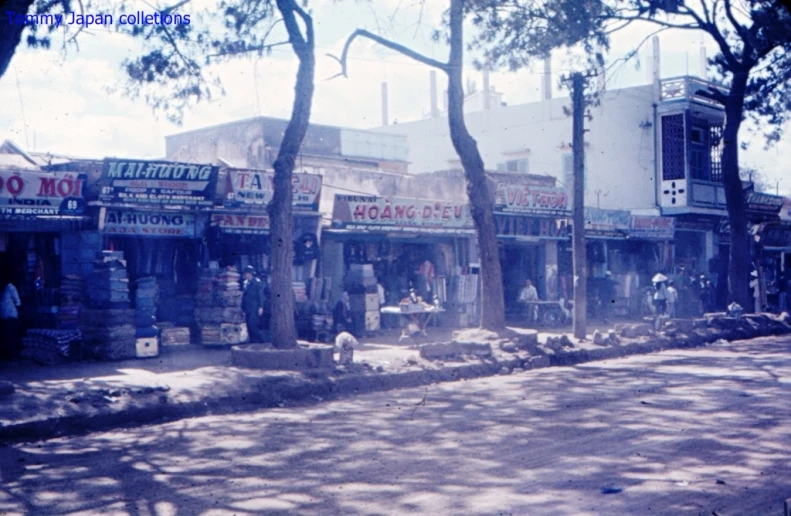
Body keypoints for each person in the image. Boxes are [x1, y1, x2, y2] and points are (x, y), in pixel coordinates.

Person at [241, 265, 266, 343]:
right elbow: (244, 296)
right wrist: (242, 308)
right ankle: (252, 341)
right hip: (247, 307)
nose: (245, 275)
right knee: (248, 325)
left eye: (246, 273)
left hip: (254, 307)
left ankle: (262, 340)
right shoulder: (246, 283)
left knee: (253, 325)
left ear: (250, 274)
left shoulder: (257, 283)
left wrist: (261, 307)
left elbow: (260, 295)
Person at [1, 279, 22, 360]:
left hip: (11, 316)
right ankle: (9, 355)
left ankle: (15, 355)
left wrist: (19, 314)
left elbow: (17, 301)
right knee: (6, 337)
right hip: (3, 317)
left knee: (12, 336)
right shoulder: (2, 290)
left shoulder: (10, 288)